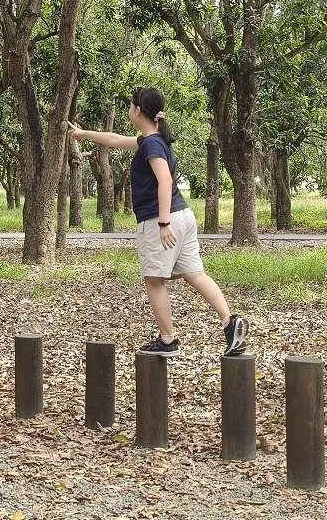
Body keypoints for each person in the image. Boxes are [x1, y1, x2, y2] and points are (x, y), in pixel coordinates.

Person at [69, 87, 249, 358]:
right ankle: (230, 322)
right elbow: (115, 139)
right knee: (195, 275)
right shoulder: (151, 140)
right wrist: (84, 134)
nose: (129, 110)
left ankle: (167, 340)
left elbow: (164, 180)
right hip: (183, 216)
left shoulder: (152, 144)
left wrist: (163, 223)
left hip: (161, 219)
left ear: (138, 110)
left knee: (154, 281)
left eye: (130, 106)